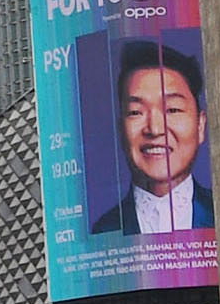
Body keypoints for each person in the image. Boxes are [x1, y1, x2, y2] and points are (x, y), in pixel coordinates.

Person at [88, 39, 208, 235]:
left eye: (172, 109)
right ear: (121, 129)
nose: (155, 129)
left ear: (200, 125)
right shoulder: (103, 231)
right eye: (136, 112)